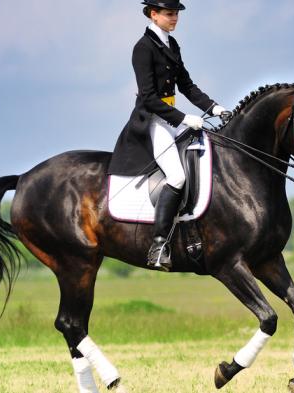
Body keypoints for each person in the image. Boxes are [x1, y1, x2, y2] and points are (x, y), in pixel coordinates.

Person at [108, 0, 227, 271]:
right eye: (169, 14)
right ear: (154, 14)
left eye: (176, 14)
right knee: (177, 175)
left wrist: (214, 107)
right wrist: (184, 118)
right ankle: (159, 244)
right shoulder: (143, 47)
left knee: (205, 155)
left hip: (172, 117)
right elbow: (148, 97)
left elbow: (185, 84)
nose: (175, 18)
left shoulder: (171, 45)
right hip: (153, 121)